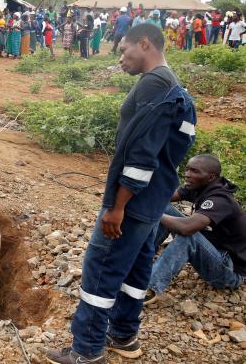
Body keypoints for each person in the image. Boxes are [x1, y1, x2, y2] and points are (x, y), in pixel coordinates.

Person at [46, 24, 197, 364]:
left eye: (123, 51)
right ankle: (124, 335)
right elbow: (173, 148)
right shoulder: (176, 88)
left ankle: (87, 350)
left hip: (134, 203)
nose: (120, 59)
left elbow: (141, 156)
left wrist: (118, 207)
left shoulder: (154, 86)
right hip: (153, 200)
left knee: (102, 270)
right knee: (136, 267)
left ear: (144, 44)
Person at [143, 154, 245, 304]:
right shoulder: (199, 186)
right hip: (214, 251)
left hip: (230, 272)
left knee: (189, 235)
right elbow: (163, 198)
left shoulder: (220, 200)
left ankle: (150, 287)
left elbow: (187, 228)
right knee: (163, 208)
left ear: (211, 177)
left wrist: (151, 212)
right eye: (188, 169)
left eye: (195, 171)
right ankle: (142, 259)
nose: (187, 174)